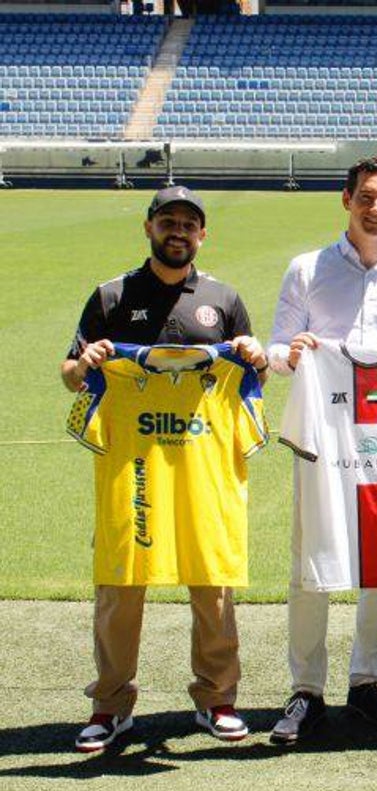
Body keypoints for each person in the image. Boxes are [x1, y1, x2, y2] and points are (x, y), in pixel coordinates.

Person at [62, 186, 267, 752]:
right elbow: (70, 372)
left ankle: (217, 699)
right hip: (135, 469)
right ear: (148, 226)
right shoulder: (111, 296)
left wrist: (254, 356)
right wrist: (86, 364)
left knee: (213, 584)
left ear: (202, 236)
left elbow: (257, 379)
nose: (178, 231)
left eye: (189, 224)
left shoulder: (224, 300)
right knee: (121, 585)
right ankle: (110, 706)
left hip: (205, 469)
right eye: (168, 221)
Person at [266, 157, 377, 744]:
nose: (376, 208)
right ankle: (306, 690)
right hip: (324, 437)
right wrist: (292, 352)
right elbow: (274, 350)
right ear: (347, 199)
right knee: (310, 563)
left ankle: (366, 682)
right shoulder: (306, 269)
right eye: (366, 197)